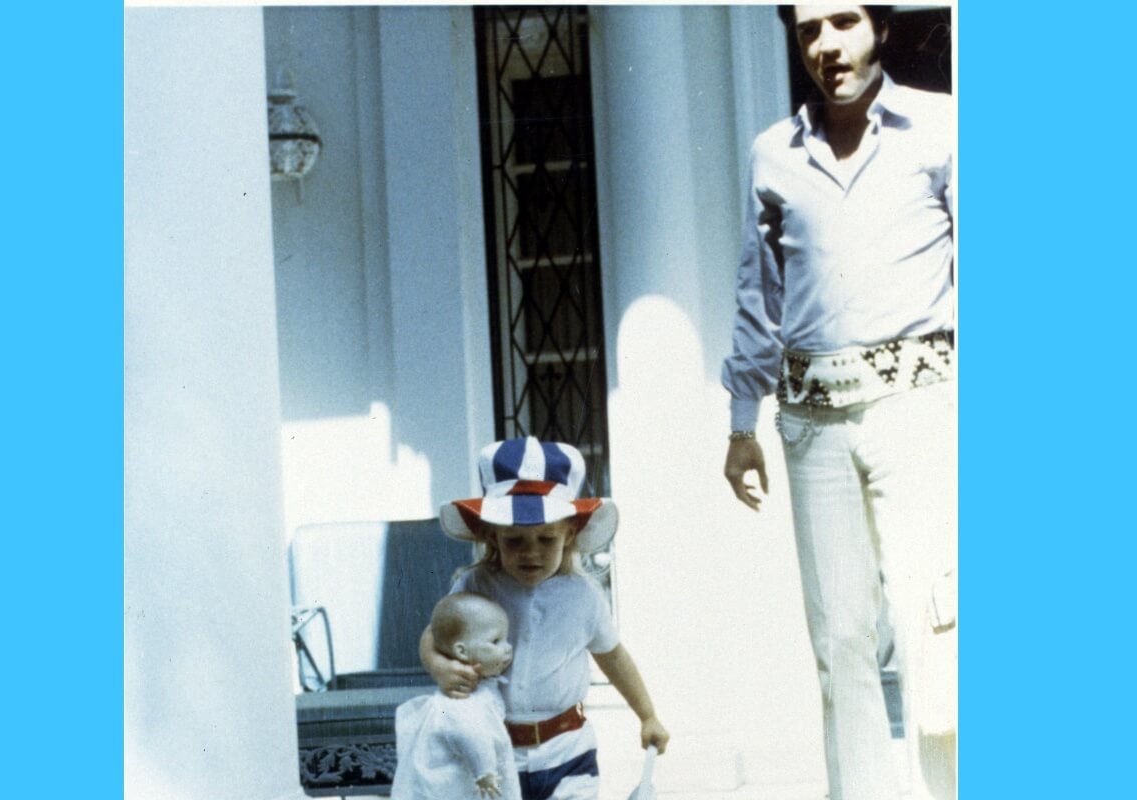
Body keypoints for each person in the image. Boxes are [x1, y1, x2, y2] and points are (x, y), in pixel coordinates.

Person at [719, 5, 957, 799]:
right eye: (808, 30)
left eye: (844, 22)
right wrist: (740, 424)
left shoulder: (942, 129)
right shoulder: (771, 155)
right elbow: (760, 297)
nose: (826, 46)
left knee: (936, 627)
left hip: (921, 408)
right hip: (812, 421)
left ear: (881, 29)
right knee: (841, 639)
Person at [421, 436, 669, 800]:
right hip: (496, 748)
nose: (531, 553)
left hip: (567, 747)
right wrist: (438, 665)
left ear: (569, 535)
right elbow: (434, 633)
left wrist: (647, 714)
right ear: (492, 536)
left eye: (546, 539)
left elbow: (613, 655)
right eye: (515, 541)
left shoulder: (583, 596)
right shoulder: (476, 584)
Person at [393, 592, 522, 800]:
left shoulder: (480, 687)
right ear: (462, 652)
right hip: (471, 776)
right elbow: (473, 735)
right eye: (496, 641)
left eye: (506, 639)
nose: (508, 648)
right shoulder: (462, 702)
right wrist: (485, 770)